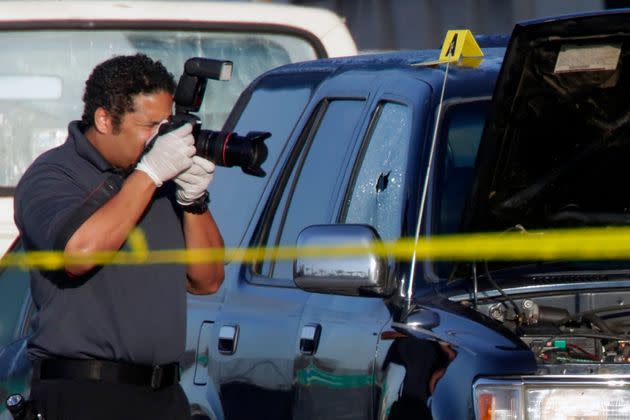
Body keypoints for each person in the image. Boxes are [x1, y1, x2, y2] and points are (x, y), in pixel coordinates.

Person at [13, 53, 225, 419]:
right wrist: (151, 173)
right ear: (105, 119)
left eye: (166, 125)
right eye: (150, 126)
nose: (162, 139)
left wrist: (194, 201)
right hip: (85, 393)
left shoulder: (159, 179)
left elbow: (207, 280)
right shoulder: (53, 175)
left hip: (163, 395)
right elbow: (79, 255)